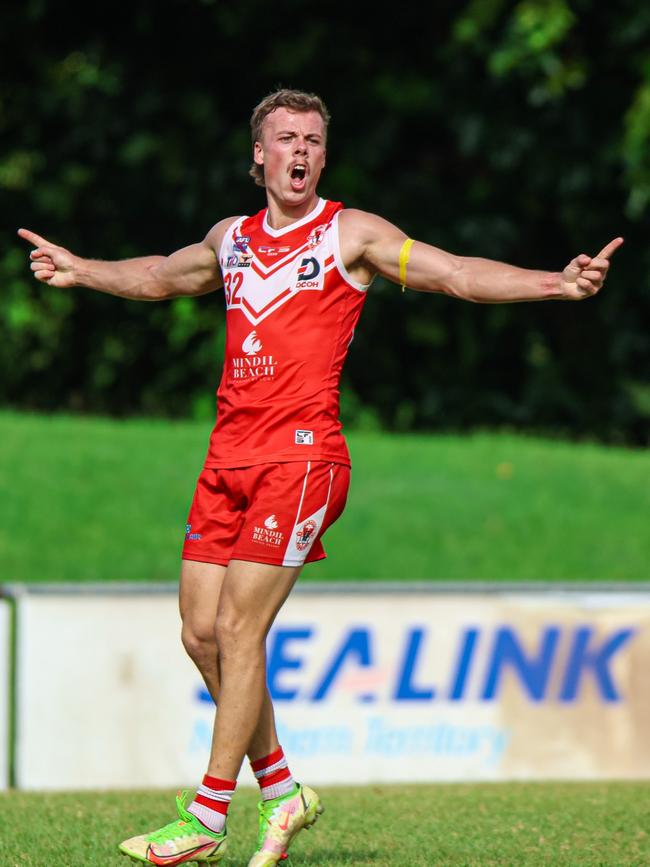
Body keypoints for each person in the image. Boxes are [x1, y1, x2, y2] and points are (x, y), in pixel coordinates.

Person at [18, 88, 622, 866]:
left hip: (302, 459)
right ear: (258, 156)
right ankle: (283, 792)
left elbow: (458, 272)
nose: (299, 150)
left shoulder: (350, 235)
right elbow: (165, 276)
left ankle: (205, 817)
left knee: (241, 631)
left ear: (323, 157)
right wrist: (83, 268)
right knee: (201, 634)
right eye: (284, 138)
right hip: (227, 457)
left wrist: (555, 283)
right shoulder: (230, 239)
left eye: (311, 139)